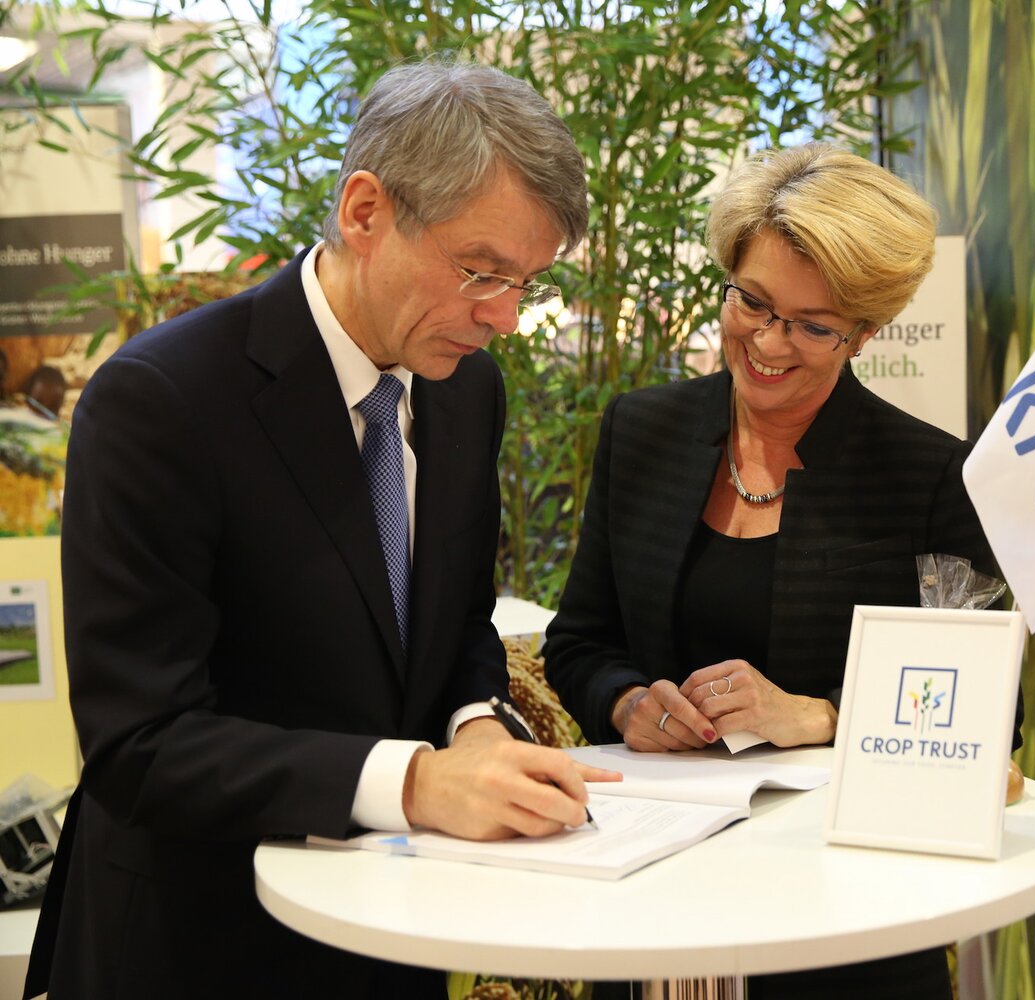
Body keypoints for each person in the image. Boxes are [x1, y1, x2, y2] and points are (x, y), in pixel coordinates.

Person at [25, 59, 617, 1000]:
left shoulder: (466, 388)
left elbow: (455, 623)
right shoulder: (163, 402)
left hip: (392, 938)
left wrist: (473, 730)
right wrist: (417, 782)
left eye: (526, 283)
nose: (502, 318)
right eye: (479, 272)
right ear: (365, 210)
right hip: (199, 945)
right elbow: (142, 743)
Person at [543, 142, 1023, 999]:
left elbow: (988, 721)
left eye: (811, 325)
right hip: (656, 898)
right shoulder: (641, 433)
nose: (767, 342)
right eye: (752, 303)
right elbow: (580, 642)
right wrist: (625, 701)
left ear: (866, 333)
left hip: (847, 919)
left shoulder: (929, 477)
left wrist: (817, 714)